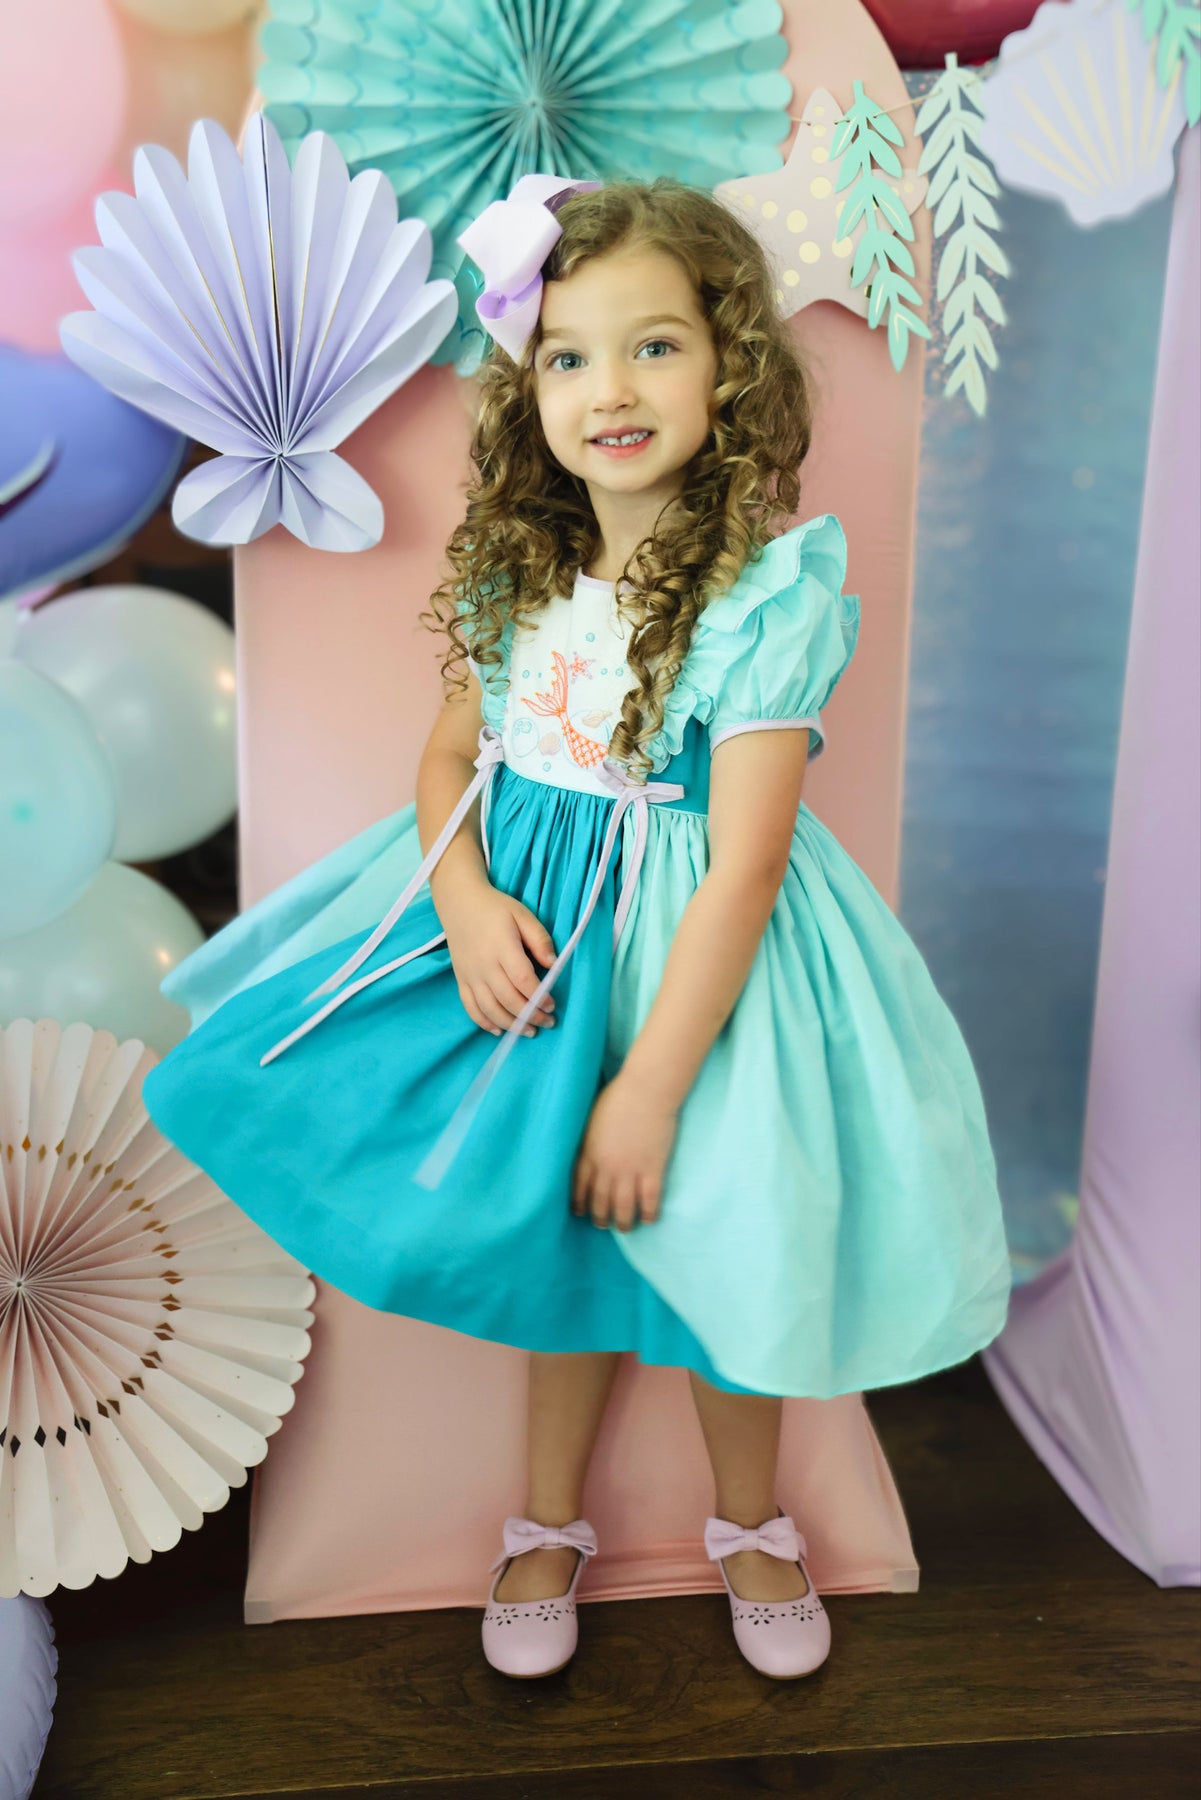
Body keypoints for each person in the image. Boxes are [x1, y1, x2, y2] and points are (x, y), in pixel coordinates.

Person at [141, 173, 1011, 1684]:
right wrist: (466, 899)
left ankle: (752, 1524)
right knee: (562, 1241)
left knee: (725, 1227)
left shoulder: (765, 595)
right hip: (546, 942)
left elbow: (745, 864)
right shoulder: (512, 574)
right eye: (568, 355)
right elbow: (448, 760)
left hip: (703, 971)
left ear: (728, 364)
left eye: (655, 345)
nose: (611, 387)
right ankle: (544, 1523)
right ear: (529, 388)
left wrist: (653, 1086)